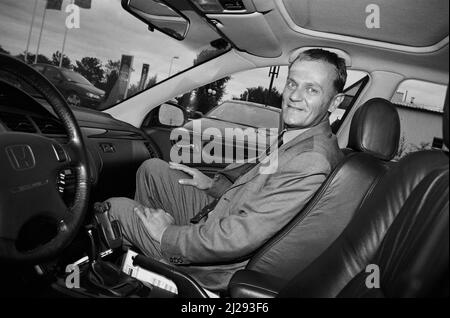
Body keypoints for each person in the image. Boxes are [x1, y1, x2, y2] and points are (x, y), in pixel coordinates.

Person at [106, 48, 347, 291]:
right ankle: (151, 267)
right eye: (292, 83)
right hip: (224, 215)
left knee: (115, 209)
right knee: (152, 170)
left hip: (219, 267)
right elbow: (260, 188)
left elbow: (239, 237)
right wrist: (212, 185)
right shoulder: (301, 136)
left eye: (312, 89)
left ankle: (164, 270)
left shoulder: (311, 159)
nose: (295, 96)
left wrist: (167, 234)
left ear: (335, 102)